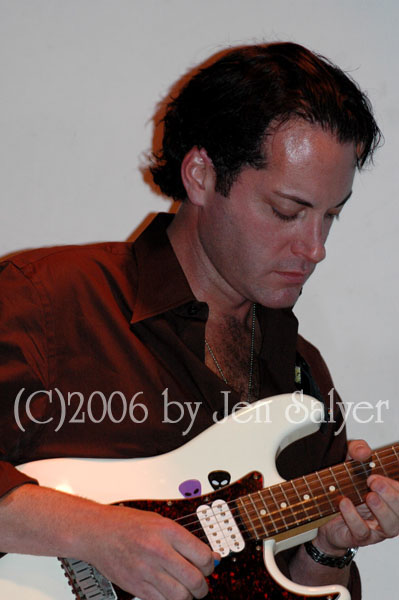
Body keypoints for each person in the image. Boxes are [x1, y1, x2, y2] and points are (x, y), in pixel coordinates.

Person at [0, 42, 398, 600]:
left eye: (331, 215)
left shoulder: (304, 375)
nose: (315, 247)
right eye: (288, 210)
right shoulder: (47, 299)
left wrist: (327, 549)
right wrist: (94, 533)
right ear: (201, 175)